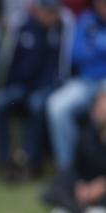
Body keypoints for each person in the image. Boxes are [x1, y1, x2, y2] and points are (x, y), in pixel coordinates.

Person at [0, 0, 72, 180]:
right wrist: (5, 85)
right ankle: (6, 162)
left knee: (36, 104)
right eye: (47, 11)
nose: (50, 16)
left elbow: (63, 68)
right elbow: (8, 62)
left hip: (47, 87)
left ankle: (32, 162)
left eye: (53, 11)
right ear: (37, 11)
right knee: (0, 103)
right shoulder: (21, 24)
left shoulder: (63, 26)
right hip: (21, 86)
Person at [46, 0, 106, 172]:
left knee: (103, 110)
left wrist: (95, 45)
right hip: (85, 81)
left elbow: (88, 51)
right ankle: (69, 171)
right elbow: (76, 54)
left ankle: (100, 172)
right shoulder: (86, 20)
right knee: (57, 106)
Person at [42, 85, 106, 213]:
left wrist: (102, 186)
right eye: (99, 103)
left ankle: (76, 211)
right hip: (86, 187)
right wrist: (80, 186)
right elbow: (75, 168)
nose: (100, 108)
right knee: (52, 189)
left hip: (102, 190)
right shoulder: (86, 136)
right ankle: (82, 212)